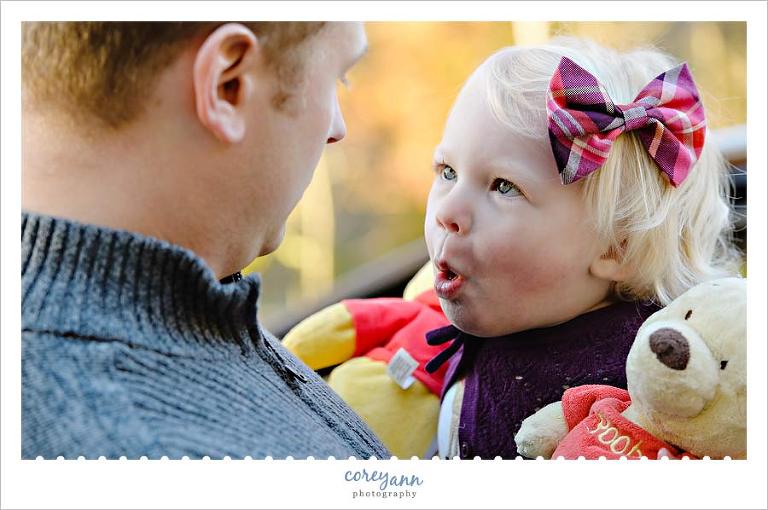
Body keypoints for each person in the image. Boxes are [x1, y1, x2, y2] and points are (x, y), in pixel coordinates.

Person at [21, 21, 389, 459]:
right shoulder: (151, 448)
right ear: (227, 85)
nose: (337, 128)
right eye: (336, 78)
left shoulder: (187, 309)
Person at [421, 37, 741, 459]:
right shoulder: (515, 305)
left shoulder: (643, 405)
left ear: (619, 248)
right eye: (447, 171)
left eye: (504, 186)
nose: (449, 210)